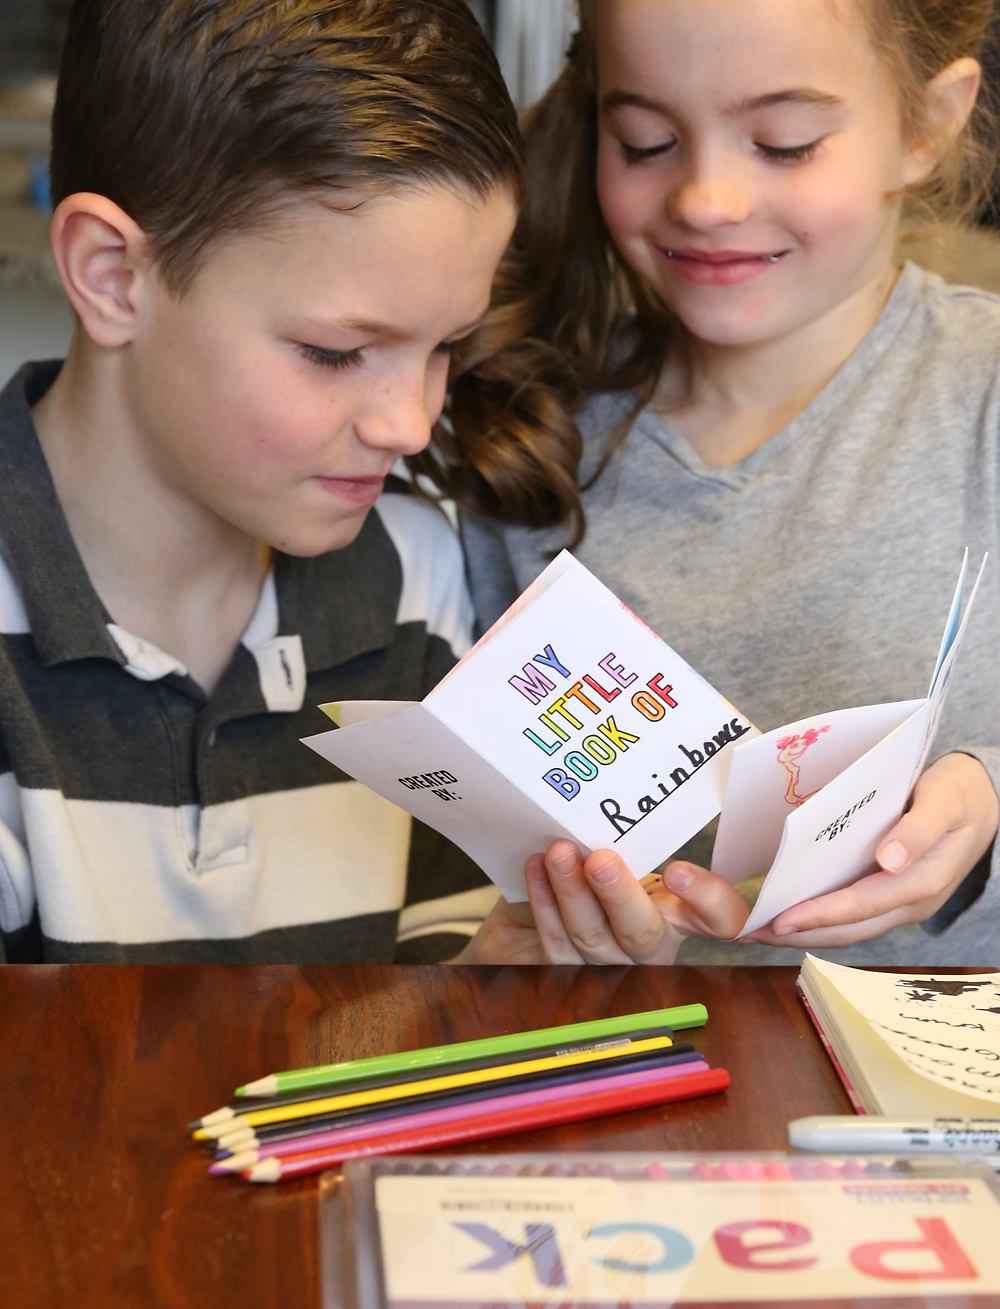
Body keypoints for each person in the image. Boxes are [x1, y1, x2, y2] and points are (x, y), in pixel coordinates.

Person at [440, 0, 1000, 965]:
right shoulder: (516, 429)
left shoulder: (980, 398)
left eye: (783, 143)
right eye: (646, 141)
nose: (704, 198)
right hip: (600, 1081)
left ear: (929, 123)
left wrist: (987, 793)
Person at [0, 0, 520, 964]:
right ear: (113, 277)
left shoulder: (423, 590)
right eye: (335, 352)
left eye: (446, 345)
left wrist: (518, 969)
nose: (410, 424)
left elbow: (434, 1014)